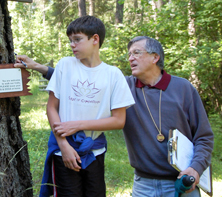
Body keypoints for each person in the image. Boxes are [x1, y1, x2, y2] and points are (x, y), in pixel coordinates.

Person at [14, 36, 214, 197]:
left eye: (137, 53)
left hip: (182, 182)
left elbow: (204, 137)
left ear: (155, 57)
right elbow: (80, 78)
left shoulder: (183, 88)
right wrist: (39, 67)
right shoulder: (124, 86)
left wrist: (195, 169)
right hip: (143, 184)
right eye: (129, 54)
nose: (130, 58)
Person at [25, 15, 135, 197]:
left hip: (95, 152)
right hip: (64, 152)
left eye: (77, 40)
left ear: (95, 39)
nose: (72, 45)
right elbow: (52, 108)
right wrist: (63, 146)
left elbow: (118, 120)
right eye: (70, 41)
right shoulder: (65, 65)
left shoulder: (113, 74)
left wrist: (79, 125)